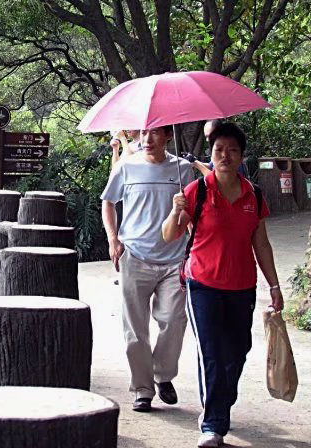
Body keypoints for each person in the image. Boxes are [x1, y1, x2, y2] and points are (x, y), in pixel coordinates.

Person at [162, 122, 283, 448]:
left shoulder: (253, 195)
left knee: (238, 352)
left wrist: (274, 286)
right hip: (203, 285)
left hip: (242, 287)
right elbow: (170, 234)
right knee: (212, 354)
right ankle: (213, 425)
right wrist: (176, 212)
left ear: (241, 155)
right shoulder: (197, 192)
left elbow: (262, 244)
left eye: (232, 150)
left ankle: (217, 407)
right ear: (211, 155)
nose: (225, 155)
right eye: (219, 150)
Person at [101, 126, 194, 413]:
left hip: (174, 258)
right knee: (135, 329)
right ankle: (143, 389)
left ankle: (163, 375)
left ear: (168, 136)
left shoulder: (183, 169)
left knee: (174, 321)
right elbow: (108, 202)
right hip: (135, 256)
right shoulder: (127, 167)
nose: (148, 139)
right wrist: (113, 239)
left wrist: (185, 213)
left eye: (156, 133)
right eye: (144, 133)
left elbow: (193, 213)